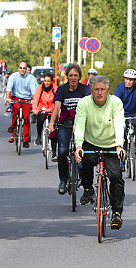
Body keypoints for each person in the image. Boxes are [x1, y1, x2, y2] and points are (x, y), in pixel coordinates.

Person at [74, 75, 125, 229]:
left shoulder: (115, 102)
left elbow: (119, 124)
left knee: (116, 176)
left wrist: (119, 145)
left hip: (111, 144)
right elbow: (79, 125)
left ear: (108, 90)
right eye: (96, 89)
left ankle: (116, 213)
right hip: (90, 142)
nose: (100, 92)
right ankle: (88, 189)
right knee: (84, 162)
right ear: (91, 90)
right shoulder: (84, 103)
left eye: (102, 89)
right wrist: (78, 146)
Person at [48, 63, 91, 194]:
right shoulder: (62, 89)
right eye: (71, 75)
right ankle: (63, 179)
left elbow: (90, 106)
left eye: (76, 75)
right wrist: (52, 122)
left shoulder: (85, 90)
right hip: (65, 123)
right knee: (62, 150)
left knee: (86, 153)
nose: (73, 78)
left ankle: (85, 179)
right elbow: (56, 107)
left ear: (79, 77)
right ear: (67, 76)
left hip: (82, 124)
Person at [114, 68, 136, 155]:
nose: (129, 82)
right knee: (123, 130)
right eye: (127, 79)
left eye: (131, 80)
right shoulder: (119, 88)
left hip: (135, 113)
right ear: (124, 79)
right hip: (122, 114)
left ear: (135, 81)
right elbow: (114, 102)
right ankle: (124, 153)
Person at [6, 61, 38, 148]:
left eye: (24, 68)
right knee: (15, 113)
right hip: (16, 97)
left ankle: (26, 140)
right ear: (18, 68)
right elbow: (9, 88)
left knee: (26, 118)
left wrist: (34, 100)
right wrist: (8, 98)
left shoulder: (30, 77)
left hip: (26, 99)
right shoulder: (13, 76)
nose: (22, 70)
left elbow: (33, 91)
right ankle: (13, 126)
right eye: (21, 68)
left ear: (26, 69)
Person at [32, 73, 58, 161]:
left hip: (52, 110)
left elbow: (58, 101)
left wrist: (59, 111)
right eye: (45, 81)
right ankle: (39, 136)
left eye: (48, 81)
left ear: (52, 82)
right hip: (42, 109)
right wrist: (35, 109)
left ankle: (54, 153)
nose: (46, 83)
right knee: (40, 120)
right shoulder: (40, 87)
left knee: (53, 130)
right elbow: (36, 98)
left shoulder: (55, 88)